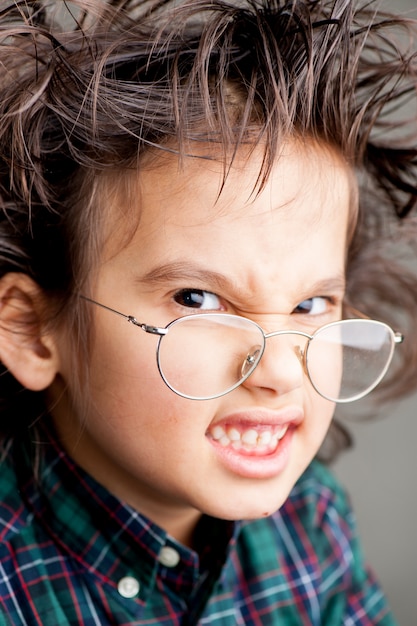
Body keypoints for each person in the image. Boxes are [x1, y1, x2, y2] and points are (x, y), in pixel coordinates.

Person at [0, 0, 416, 624]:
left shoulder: (312, 526)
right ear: (33, 331)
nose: (279, 372)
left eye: (309, 305)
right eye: (197, 300)